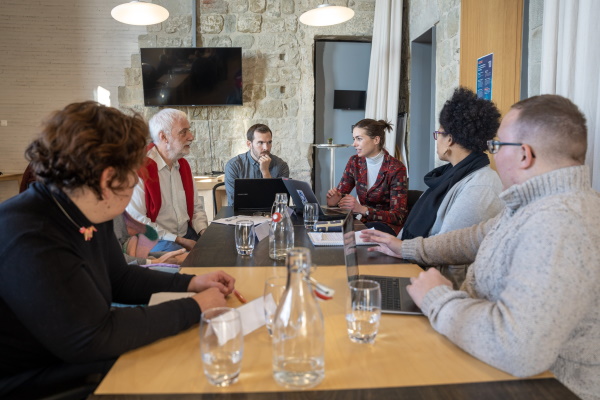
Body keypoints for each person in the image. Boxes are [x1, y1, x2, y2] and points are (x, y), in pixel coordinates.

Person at [362, 95, 600, 400]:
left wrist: (437, 299)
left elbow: (517, 349)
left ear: (524, 155)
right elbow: (474, 236)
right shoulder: (536, 204)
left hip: (540, 388)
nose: (494, 155)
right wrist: (406, 249)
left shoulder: (560, 222)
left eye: (498, 146)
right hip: (494, 368)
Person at [0, 101, 236, 399]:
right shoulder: (30, 234)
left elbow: (120, 279)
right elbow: (94, 336)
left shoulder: (81, 209)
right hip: (37, 378)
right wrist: (195, 307)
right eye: (134, 171)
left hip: (72, 356)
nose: (139, 179)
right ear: (107, 178)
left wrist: (190, 283)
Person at [400, 87, 504, 240]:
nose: (436, 140)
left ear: (449, 139)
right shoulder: (448, 175)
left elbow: (447, 247)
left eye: (438, 134)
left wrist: (399, 248)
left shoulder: (481, 186)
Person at [126, 109, 208, 253]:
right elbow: (137, 221)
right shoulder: (139, 168)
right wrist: (179, 241)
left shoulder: (183, 165)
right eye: (183, 132)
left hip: (185, 234)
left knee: (218, 250)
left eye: (189, 130)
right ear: (163, 137)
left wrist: (203, 232)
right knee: (188, 263)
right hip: (154, 239)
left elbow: (196, 208)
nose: (191, 136)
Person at [326, 119, 408, 236]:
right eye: (354, 139)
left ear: (376, 140)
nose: (354, 144)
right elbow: (340, 195)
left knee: (350, 234)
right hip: (364, 224)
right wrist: (334, 200)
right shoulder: (355, 162)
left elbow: (398, 216)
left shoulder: (396, 168)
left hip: (387, 227)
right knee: (333, 229)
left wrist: (363, 210)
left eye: (359, 139)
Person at [224, 123, 290, 206]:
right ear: (249, 144)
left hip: (271, 214)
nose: (266, 147)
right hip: (243, 215)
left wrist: (265, 172)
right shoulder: (234, 165)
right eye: (260, 143)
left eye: (269, 142)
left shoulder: (281, 165)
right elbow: (234, 203)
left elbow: (280, 204)